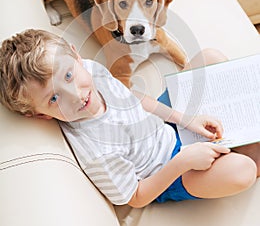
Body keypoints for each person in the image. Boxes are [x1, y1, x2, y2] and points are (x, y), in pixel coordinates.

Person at [0, 29, 259, 208]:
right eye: (54, 99)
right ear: (41, 115)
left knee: (210, 57)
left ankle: (236, 130)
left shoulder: (89, 69)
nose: (76, 96)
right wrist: (183, 162)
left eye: (69, 76)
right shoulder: (97, 154)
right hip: (169, 171)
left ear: (75, 55)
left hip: (161, 126)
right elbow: (136, 196)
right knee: (244, 170)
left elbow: (131, 98)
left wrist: (185, 119)